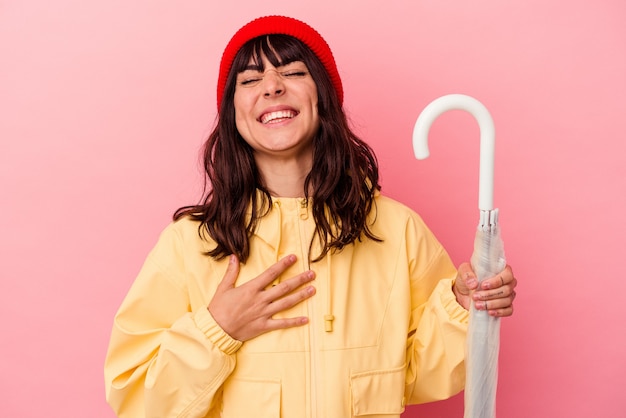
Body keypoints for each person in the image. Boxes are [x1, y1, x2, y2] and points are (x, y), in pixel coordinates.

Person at [104, 15, 517, 418]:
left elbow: (420, 375)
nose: (272, 87)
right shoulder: (190, 243)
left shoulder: (396, 229)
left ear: (323, 96)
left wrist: (464, 309)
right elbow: (135, 397)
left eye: (292, 72)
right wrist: (217, 330)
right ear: (233, 113)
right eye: (249, 80)